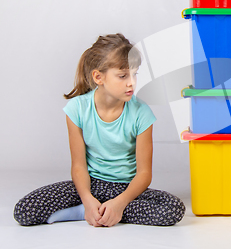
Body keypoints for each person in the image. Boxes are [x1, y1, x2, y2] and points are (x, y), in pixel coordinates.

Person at [14, 33, 185, 227]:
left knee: (173, 209)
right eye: (123, 76)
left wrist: (120, 202)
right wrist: (87, 199)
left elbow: (144, 174)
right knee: (24, 211)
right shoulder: (77, 109)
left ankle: (110, 210)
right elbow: (78, 166)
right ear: (98, 77)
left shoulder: (142, 112)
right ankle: (90, 209)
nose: (131, 82)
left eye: (134, 74)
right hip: (90, 184)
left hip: (127, 189)